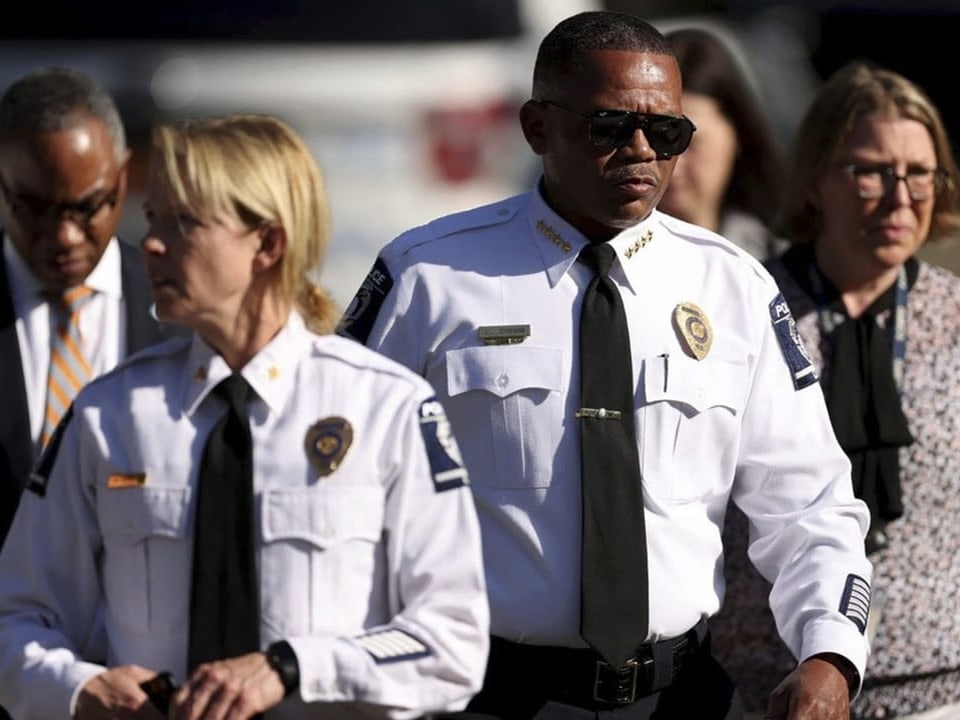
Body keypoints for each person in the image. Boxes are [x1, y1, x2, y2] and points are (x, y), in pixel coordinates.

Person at [337, 10, 872, 720]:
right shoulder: (428, 276)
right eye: (609, 127)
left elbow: (808, 503)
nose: (642, 151)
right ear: (537, 128)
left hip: (680, 698)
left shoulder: (733, 287)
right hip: (485, 695)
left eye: (668, 133)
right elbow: (336, 483)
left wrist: (830, 654)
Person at [0, 112, 489, 720]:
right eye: (152, 220)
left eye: (184, 224)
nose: (150, 243)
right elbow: (17, 617)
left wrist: (292, 667)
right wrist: (77, 687)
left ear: (268, 244)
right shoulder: (109, 412)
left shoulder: (388, 408)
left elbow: (451, 642)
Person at [712, 61, 960, 720]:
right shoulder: (746, 308)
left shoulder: (955, 311)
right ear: (817, 177)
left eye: (919, 173)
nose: (900, 195)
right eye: (871, 170)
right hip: (765, 690)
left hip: (938, 689)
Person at [0, 66, 180, 549]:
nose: (64, 237)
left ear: (123, 178)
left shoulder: (184, 313)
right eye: (34, 208)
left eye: (87, 207)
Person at [657, 25, 786, 261]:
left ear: (737, 135)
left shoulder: (784, 260)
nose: (672, 165)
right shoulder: (603, 265)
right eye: (658, 140)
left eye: (690, 143)